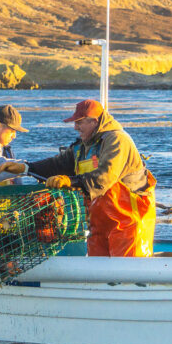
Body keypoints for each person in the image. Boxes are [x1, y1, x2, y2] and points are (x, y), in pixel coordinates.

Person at [27, 99, 156, 257]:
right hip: (99, 224)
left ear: (94, 121)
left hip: (128, 222)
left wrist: (70, 181)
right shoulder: (82, 146)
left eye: (79, 123)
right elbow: (58, 164)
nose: (75, 127)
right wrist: (28, 167)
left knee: (128, 273)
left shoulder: (117, 140)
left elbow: (105, 178)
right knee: (98, 272)